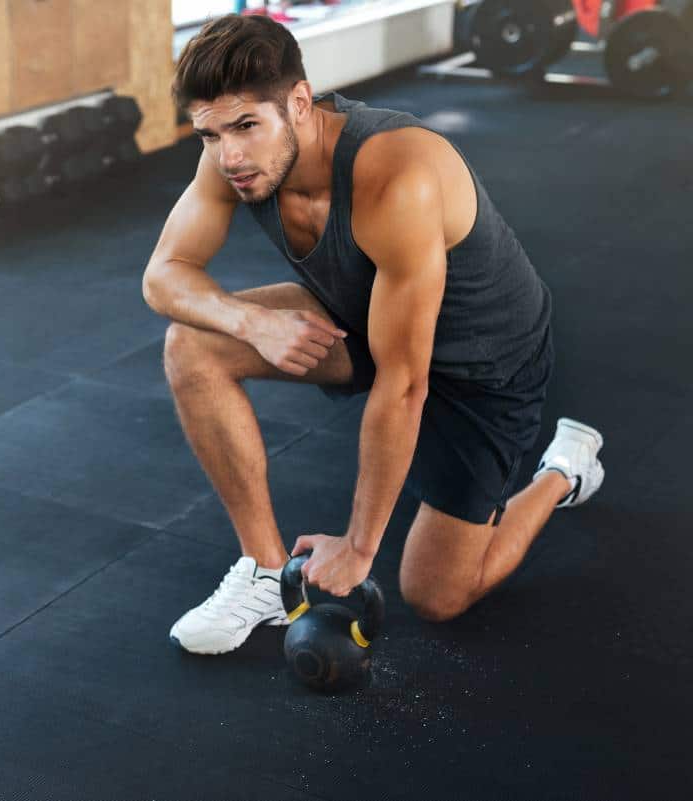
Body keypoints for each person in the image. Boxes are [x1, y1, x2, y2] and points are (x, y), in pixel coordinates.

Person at [143, 14, 605, 655]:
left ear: (299, 103)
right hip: (364, 315)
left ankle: (563, 471)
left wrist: (361, 547)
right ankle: (267, 574)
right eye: (210, 133)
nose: (231, 156)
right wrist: (253, 322)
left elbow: (407, 382)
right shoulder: (228, 156)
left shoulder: (397, 175)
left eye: (247, 126)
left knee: (438, 595)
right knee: (192, 344)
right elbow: (164, 277)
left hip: (484, 366)